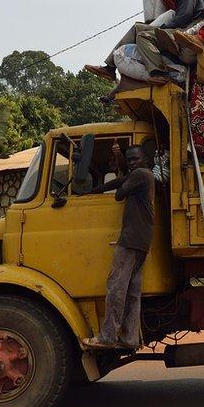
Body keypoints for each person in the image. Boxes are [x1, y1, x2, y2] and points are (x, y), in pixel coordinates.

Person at [81, 145, 155, 351]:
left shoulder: (140, 174)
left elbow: (118, 194)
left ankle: (107, 336)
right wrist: (89, 192)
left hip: (130, 240)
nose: (132, 162)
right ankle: (130, 338)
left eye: (135, 159)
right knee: (132, 292)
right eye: (129, 159)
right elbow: (114, 183)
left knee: (116, 289)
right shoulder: (142, 175)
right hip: (142, 240)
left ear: (144, 160)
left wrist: (121, 168)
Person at [86, 0, 204, 82]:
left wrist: (162, 27)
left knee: (143, 37)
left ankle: (158, 72)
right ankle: (110, 67)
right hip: (177, 28)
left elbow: (183, 18)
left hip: (183, 31)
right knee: (137, 27)